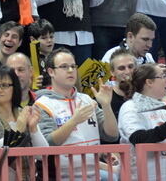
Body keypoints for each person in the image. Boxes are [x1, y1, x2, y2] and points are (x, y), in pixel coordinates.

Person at [34, 47, 117, 181]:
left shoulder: (87, 100)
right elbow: (47, 144)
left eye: (73, 66)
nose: (71, 70)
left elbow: (112, 135)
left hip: (94, 176)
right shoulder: (42, 104)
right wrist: (74, 121)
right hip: (60, 177)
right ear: (51, 72)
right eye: (64, 67)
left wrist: (106, 106)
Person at [0, 65, 47, 173]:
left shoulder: (23, 113)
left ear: (15, 88)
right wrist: (16, 129)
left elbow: (43, 155)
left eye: (4, 85)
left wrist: (33, 129)